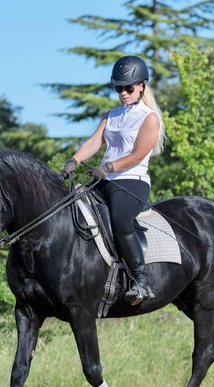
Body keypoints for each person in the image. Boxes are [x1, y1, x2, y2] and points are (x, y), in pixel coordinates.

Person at [61, 55, 166, 305]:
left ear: (141, 86)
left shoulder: (149, 117)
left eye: (128, 87)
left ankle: (141, 281)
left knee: (120, 221)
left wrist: (109, 165)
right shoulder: (112, 115)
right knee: (71, 209)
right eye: (119, 88)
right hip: (105, 179)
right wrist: (74, 160)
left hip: (131, 181)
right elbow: (95, 142)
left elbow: (139, 154)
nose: (123, 92)